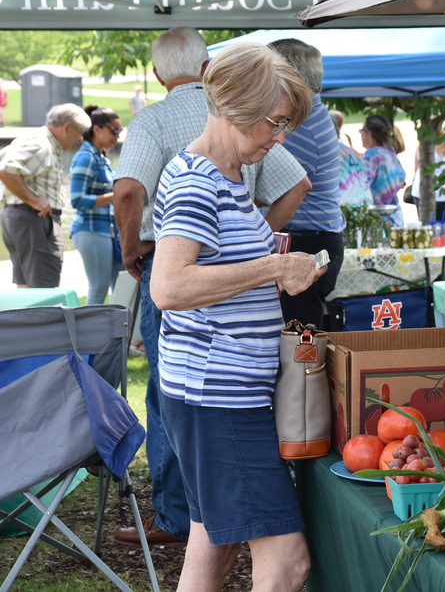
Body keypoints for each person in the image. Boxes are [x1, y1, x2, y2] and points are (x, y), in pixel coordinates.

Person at [113, 27, 311, 548]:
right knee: (288, 562)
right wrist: (272, 268)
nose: (279, 137)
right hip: (218, 395)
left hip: (220, 391)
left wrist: (272, 261)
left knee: (210, 550)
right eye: (275, 123)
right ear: (238, 108)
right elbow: (170, 287)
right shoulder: (202, 179)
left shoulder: (229, 174)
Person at [269, 38, 346, 328]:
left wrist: (258, 235)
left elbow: (280, 189)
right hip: (314, 237)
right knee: (299, 338)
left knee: (297, 344)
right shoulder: (308, 116)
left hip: (307, 240)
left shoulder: (300, 126)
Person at [0, 103, 89, 288]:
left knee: (27, 288)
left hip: (19, 217)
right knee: (44, 289)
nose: (80, 139)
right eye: (80, 133)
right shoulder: (41, 144)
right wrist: (35, 201)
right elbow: (6, 170)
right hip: (34, 221)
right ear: (67, 127)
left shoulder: (33, 139)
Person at [69, 106, 125, 304]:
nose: (118, 136)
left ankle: (116, 335)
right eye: (114, 130)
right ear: (97, 129)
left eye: (120, 130)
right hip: (91, 231)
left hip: (108, 233)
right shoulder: (85, 157)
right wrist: (115, 195)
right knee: (98, 288)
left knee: (121, 289)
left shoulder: (101, 157)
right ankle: (88, 335)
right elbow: (77, 200)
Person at [361, 115, 406, 227]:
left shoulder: (372, 155)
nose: (360, 134)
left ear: (369, 133)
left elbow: (361, 185)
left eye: (361, 131)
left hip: (377, 220)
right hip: (395, 217)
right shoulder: (390, 152)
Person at [411, 142, 445, 222]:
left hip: (419, 189)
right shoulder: (442, 143)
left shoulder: (420, 145)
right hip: (436, 191)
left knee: (426, 224)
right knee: (440, 226)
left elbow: (416, 169)